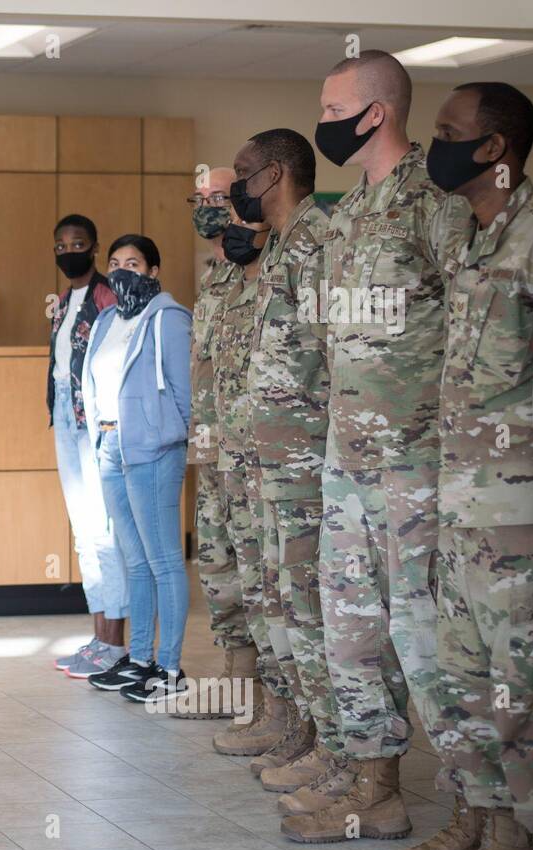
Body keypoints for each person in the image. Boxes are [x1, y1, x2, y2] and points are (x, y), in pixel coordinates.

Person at [283, 50, 470, 850]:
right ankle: (375, 790)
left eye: (332, 109)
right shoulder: (346, 212)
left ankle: (482, 819)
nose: (321, 121)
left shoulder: (435, 202)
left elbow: (478, 319)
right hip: (346, 462)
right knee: (350, 630)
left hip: (415, 466)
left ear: (375, 113)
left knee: (429, 641)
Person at [405, 82, 533, 850]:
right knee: (463, 677)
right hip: (458, 503)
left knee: (521, 690)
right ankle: (490, 831)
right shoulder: (463, 239)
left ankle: (531, 840)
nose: (440, 145)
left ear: (494, 149)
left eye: (451, 132)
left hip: (520, 517)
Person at [219, 132, 333, 789]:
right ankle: (296, 726)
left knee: (312, 605)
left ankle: (337, 751)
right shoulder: (282, 244)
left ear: (275, 173)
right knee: (281, 601)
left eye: (242, 175)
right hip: (273, 458)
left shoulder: (318, 241)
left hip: (311, 461)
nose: (236, 193)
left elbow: (334, 354)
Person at [82, 235, 193, 704]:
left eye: (133, 262)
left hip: (153, 450)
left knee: (165, 560)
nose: (123, 270)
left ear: (152, 270)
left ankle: (169, 667)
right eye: (115, 262)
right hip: (111, 447)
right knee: (136, 560)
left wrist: (173, 440)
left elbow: (186, 393)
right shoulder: (109, 319)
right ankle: (141, 658)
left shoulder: (168, 318)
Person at [175, 166, 256, 719]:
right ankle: (235, 681)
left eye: (217, 197)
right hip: (212, 452)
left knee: (260, 577)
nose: (205, 207)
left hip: (256, 455)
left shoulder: (266, 269)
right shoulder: (213, 275)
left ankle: (270, 700)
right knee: (219, 570)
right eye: (197, 197)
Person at [47, 214, 129, 678]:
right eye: (60, 246)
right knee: (83, 531)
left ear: (94, 247)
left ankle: (115, 642)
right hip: (63, 415)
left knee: (103, 532)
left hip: (92, 418)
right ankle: (98, 636)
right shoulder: (62, 302)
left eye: (77, 243)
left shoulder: (106, 297)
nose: (68, 251)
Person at [209, 209, 280, 749]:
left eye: (230, 200)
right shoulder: (222, 280)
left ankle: (284, 718)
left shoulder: (290, 264)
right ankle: (248, 697)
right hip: (224, 449)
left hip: (277, 459)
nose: (218, 213)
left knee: (280, 592)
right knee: (231, 573)